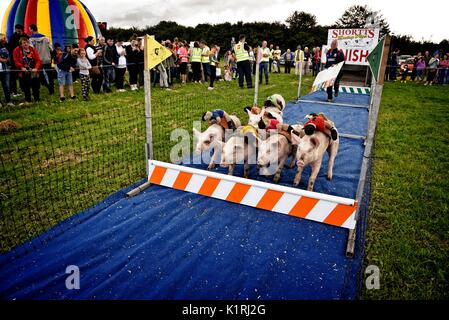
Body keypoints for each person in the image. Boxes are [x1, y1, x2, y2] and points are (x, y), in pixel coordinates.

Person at [13, 37, 41, 103]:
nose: (26, 44)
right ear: (20, 44)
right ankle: (28, 100)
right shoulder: (17, 50)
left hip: (33, 71)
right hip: (24, 72)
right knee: (26, 87)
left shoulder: (32, 49)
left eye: (27, 42)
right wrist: (21, 67)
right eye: (24, 43)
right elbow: (15, 60)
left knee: (35, 86)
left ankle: (37, 99)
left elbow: (38, 60)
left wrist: (36, 68)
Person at [29, 24, 54, 95]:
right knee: (50, 75)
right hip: (47, 59)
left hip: (38, 61)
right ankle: (51, 90)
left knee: (40, 76)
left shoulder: (31, 39)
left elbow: (32, 50)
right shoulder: (46, 38)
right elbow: (51, 49)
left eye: (29, 29)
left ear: (31, 29)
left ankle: (48, 86)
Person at [8, 24, 29, 97]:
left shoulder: (26, 36)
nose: (17, 32)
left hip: (24, 59)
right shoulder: (13, 37)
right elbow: (9, 48)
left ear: (21, 30)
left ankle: (24, 89)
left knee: (23, 74)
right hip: (14, 59)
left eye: (19, 31)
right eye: (16, 31)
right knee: (13, 76)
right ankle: (13, 91)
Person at [0, 33, 13, 106]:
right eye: (3, 38)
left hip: (6, 68)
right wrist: (2, 59)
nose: (5, 39)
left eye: (5, 38)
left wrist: (8, 61)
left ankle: (8, 101)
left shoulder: (5, 46)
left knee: (7, 86)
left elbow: (9, 54)